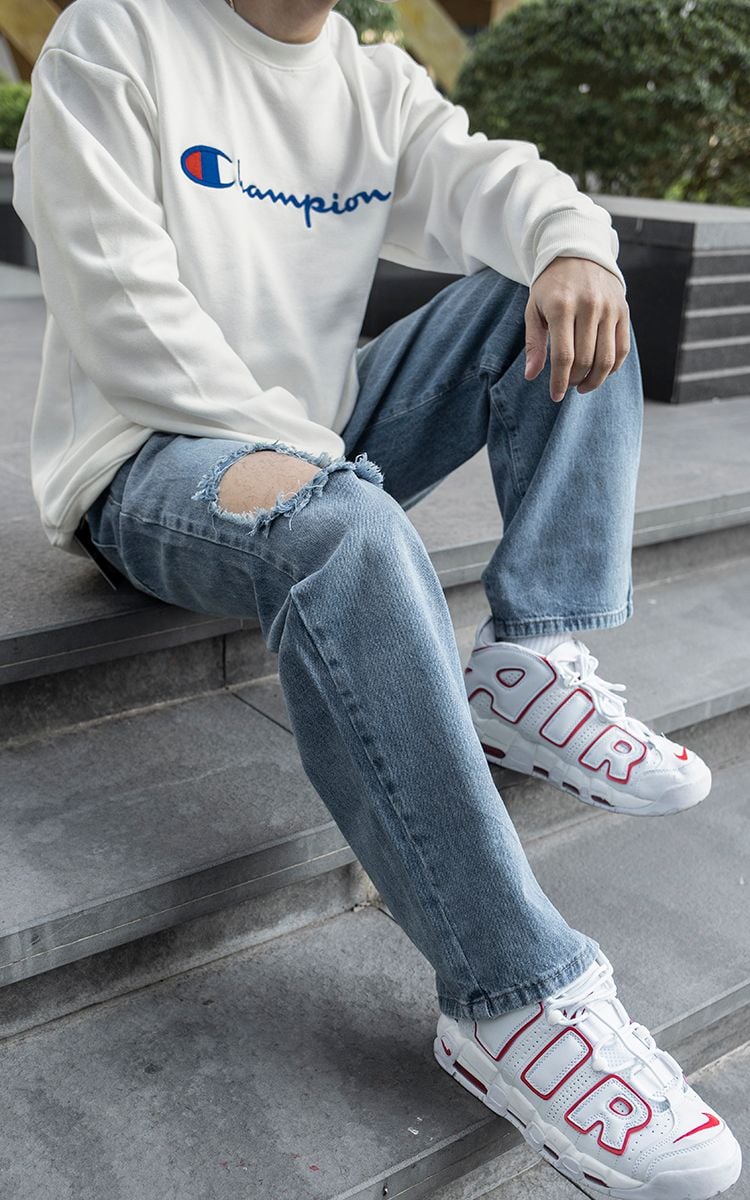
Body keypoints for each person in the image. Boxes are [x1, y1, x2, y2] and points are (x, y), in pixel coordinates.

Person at [11, 0, 741, 1195]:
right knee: (345, 533)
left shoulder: (374, 80)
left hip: (312, 430)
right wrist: (325, 470)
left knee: (552, 291)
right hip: (149, 458)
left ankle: (531, 657)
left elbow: (493, 180)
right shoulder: (119, 36)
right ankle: (515, 997)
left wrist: (573, 245)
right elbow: (119, 315)